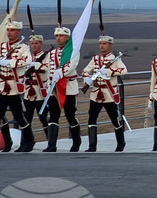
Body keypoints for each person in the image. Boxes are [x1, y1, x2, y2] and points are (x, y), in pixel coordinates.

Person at [0, 20, 34, 154]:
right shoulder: (3, 46)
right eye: (8, 30)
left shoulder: (23, 47)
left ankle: (30, 141)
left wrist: (10, 62)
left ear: (18, 32)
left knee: (18, 116)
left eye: (12, 30)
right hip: (0, 86)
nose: (9, 33)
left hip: (14, 87)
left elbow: (28, 60)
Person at [81, 34, 128, 152]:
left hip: (109, 94)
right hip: (95, 93)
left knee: (114, 119)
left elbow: (124, 70)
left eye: (104, 44)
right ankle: (92, 146)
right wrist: (87, 80)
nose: (102, 46)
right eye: (100, 44)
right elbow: (85, 71)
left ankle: (121, 143)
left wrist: (108, 71)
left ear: (110, 45)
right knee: (92, 118)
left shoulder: (115, 59)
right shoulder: (95, 59)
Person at [46, 24, 81, 152]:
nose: (58, 38)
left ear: (67, 37)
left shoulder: (73, 51)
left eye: (61, 36)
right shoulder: (52, 53)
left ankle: (76, 142)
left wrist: (60, 73)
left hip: (68, 88)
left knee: (70, 115)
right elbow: (48, 68)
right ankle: (51, 145)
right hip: (54, 88)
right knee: (53, 115)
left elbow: (71, 66)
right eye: (57, 36)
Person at [23, 31, 51, 150]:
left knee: (44, 118)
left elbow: (46, 70)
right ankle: (26, 143)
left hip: (40, 92)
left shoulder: (46, 56)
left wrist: (36, 66)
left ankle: (50, 142)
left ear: (41, 44)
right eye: (32, 43)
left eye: (36, 43)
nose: (34, 45)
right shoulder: (28, 56)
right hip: (28, 92)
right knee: (26, 119)